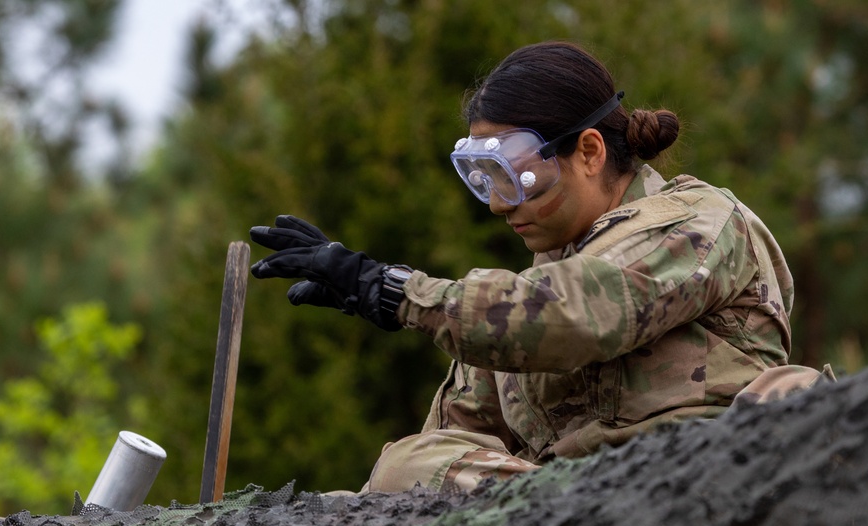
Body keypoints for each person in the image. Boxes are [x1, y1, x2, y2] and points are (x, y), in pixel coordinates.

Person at [249, 41, 831, 493]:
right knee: (405, 465)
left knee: (799, 400)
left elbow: (575, 314)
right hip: (575, 503)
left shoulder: (697, 222)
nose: (501, 204)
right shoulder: (538, 287)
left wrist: (393, 291)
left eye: (515, 175)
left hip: (699, 479)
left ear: (589, 151)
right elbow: (454, 438)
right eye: (483, 179)